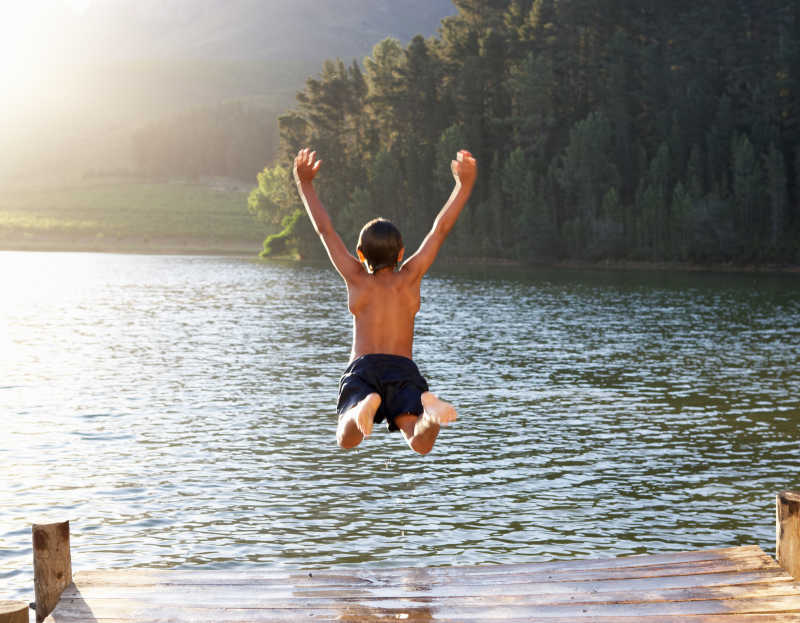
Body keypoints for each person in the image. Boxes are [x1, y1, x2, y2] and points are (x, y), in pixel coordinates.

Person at [293, 147, 477, 454]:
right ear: (402, 253)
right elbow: (440, 229)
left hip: (363, 369)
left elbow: (325, 230)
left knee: (346, 438)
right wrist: (464, 185)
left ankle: (362, 406)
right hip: (402, 369)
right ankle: (429, 416)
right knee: (419, 442)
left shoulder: (356, 278)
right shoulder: (410, 277)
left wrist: (305, 184)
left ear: (361, 254)